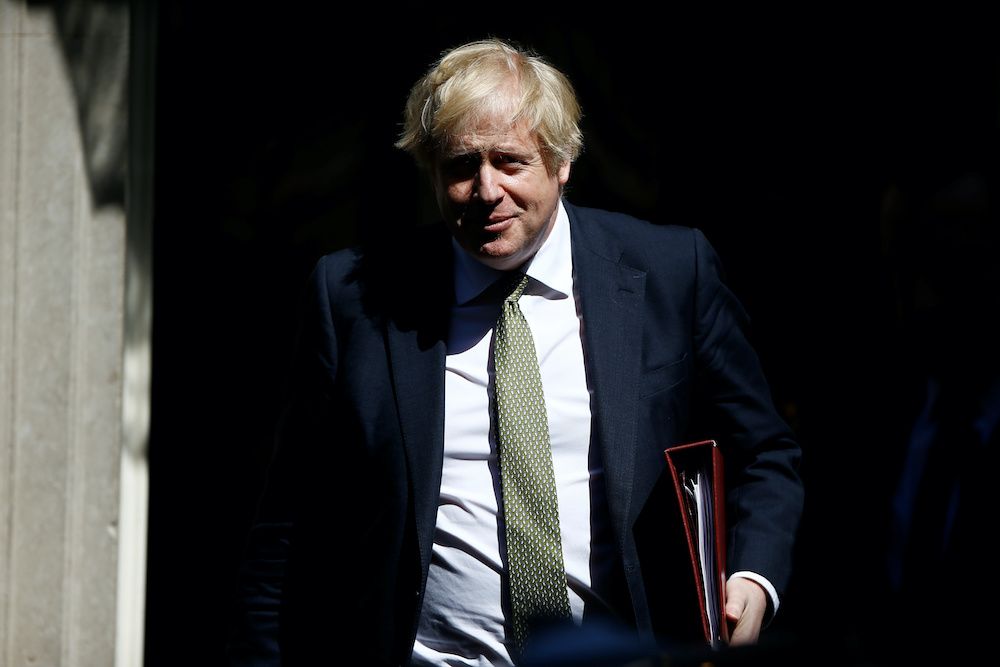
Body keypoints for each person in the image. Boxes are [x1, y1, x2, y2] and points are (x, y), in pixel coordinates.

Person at [227, 39, 803, 666]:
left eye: (509, 161)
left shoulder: (670, 273)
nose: (485, 190)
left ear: (562, 162)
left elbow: (765, 452)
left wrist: (754, 577)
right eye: (460, 166)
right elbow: (287, 530)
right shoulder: (355, 298)